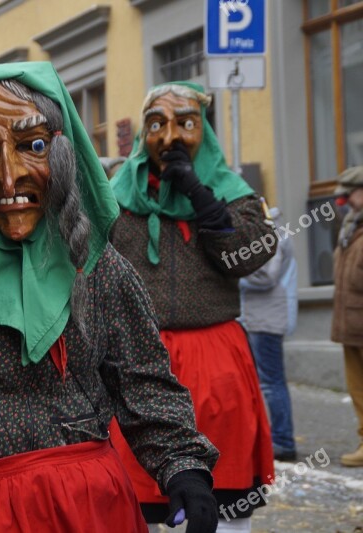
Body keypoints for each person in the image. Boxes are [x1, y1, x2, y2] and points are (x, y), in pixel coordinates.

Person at [0, 63, 218, 533]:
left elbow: (142, 376)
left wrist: (183, 463)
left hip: (91, 506)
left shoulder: (94, 262)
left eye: (32, 146)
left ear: (63, 152)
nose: (9, 178)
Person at [109, 81, 276, 532]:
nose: (169, 138)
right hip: (140, 364)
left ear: (204, 129)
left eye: (185, 124)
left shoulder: (231, 191)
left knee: (222, 498)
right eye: (156, 125)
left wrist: (198, 192)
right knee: (139, 495)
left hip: (216, 361)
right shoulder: (116, 197)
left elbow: (248, 254)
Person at [240, 206, 298, 461]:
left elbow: (266, 277)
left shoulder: (271, 233)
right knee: (265, 383)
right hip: (258, 318)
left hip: (266, 319)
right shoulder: (268, 231)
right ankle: (273, 439)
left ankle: (283, 441)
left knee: (271, 383)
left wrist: (232, 274)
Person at [331, 166, 363, 467]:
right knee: (358, 389)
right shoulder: (350, 229)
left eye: (349, 194)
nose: (344, 202)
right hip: (351, 325)